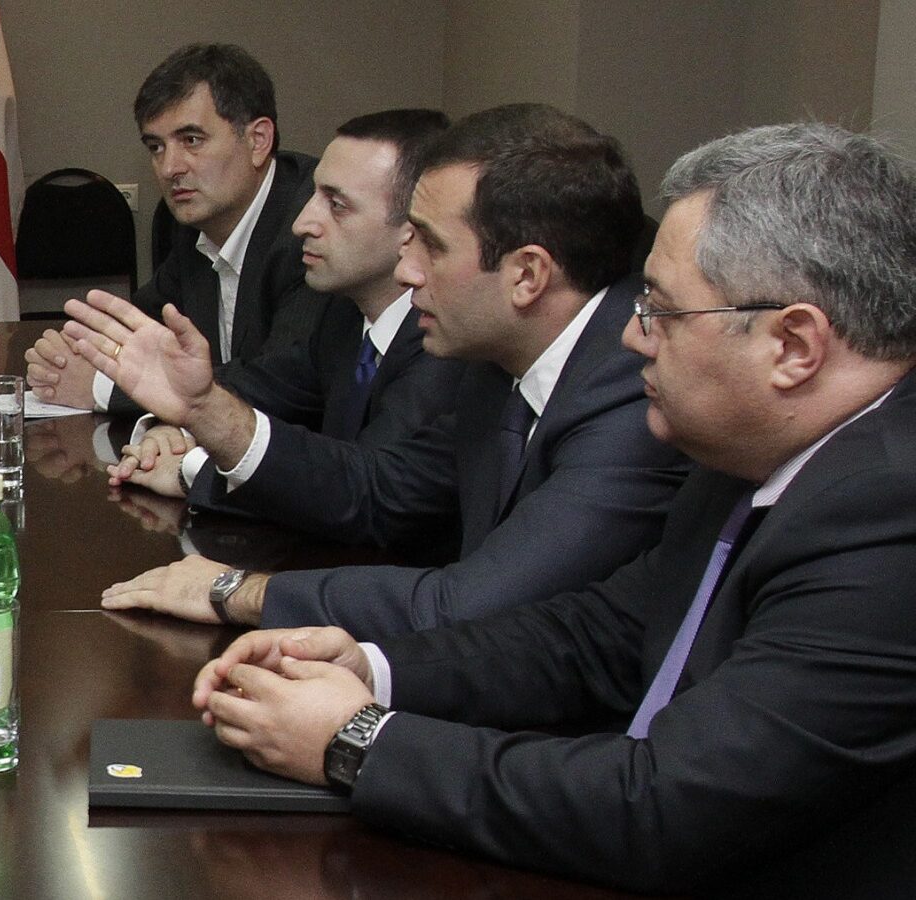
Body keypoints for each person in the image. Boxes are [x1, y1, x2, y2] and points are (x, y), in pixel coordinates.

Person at [189, 122, 916, 895]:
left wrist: (358, 740)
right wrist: (371, 666)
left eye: (663, 313)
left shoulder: (887, 516)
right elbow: (593, 637)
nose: (633, 337)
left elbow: (669, 805)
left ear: (795, 346)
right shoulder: (751, 453)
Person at [66, 104, 688, 638]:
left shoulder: (628, 394)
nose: (407, 268)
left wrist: (242, 592)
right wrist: (201, 411)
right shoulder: (495, 356)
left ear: (527, 275)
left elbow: (470, 597)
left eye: (430, 244)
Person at [107, 109, 464, 513]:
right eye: (314, 194)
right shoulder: (344, 316)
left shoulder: (445, 347)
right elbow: (268, 390)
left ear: (411, 228)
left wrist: (191, 467)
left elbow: (371, 492)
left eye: (337, 205)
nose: (303, 222)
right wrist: (180, 429)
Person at [24, 43, 327, 413]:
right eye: (156, 147)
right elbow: (143, 327)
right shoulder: (194, 225)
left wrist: (102, 387)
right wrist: (75, 355)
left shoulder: (313, 225)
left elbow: (284, 383)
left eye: (191, 140)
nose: (169, 169)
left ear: (257, 141)